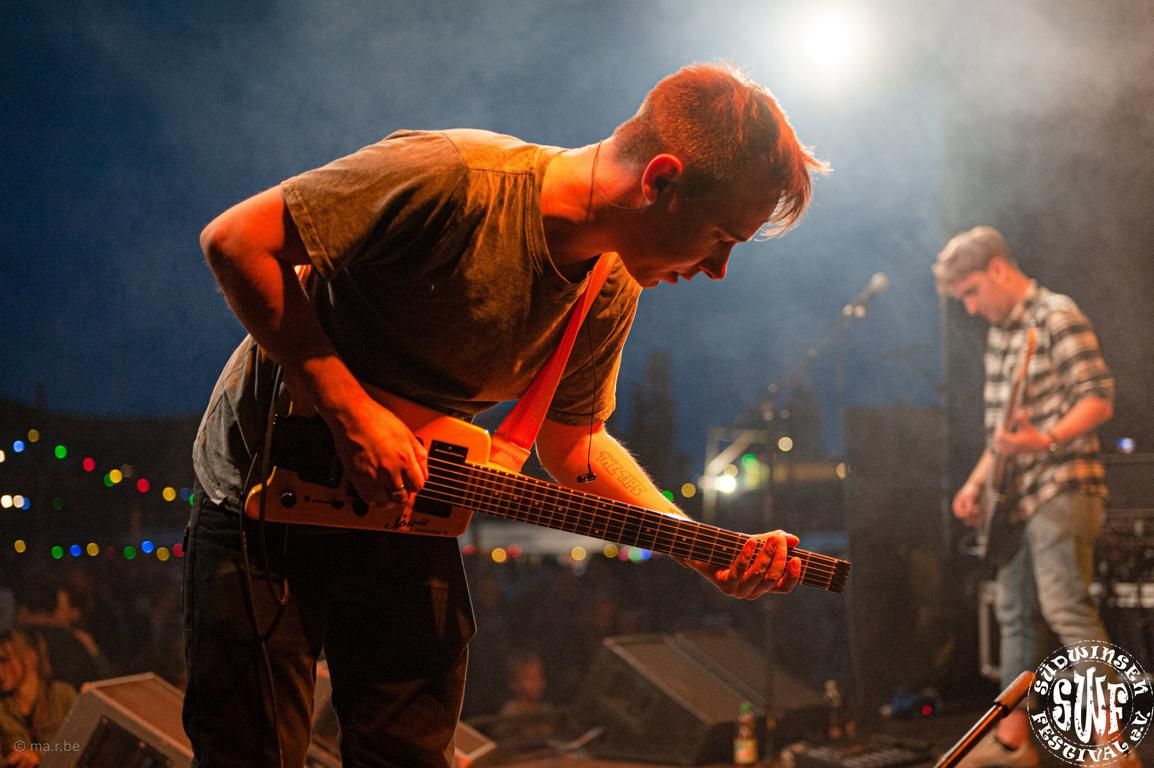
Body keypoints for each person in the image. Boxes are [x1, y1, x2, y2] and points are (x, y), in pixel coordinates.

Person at [187, 62, 827, 767]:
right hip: (269, 486)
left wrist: (695, 544)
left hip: (409, 503)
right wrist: (351, 411)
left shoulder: (611, 282)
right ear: (661, 180)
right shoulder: (453, 178)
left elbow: (576, 445)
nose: (719, 268)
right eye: (721, 236)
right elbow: (236, 241)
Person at [934, 226, 1117, 767]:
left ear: (998, 269)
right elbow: (1003, 436)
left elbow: (1098, 397)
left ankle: (1112, 743)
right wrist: (975, 484)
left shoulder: (1056, 315)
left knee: (1067, 608)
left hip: (1064, 485)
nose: (970, 307)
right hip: (1016, 499)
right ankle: (1013, 742)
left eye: (971, 292)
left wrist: (1046, 438)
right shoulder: (1001, 336)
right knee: (1014, 616)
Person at [0, 630, 78, 768]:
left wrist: (40, 755)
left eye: (4, 660)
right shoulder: (2, 707)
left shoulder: (62, 695)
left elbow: (80, 743)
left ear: (30, 657)